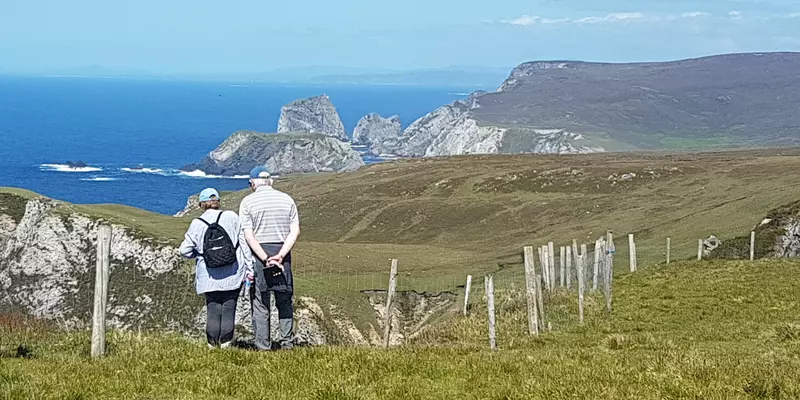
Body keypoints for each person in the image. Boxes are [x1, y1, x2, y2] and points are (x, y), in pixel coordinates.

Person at [179, 188, 252, 348]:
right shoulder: (232, 217)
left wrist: (200, 255)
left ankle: (212, 346)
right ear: (218, 202)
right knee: (229, 307)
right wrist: (249, 268)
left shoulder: (197, 223)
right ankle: (226, 345)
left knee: (212, 308)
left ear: (201, 205)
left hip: (208, 275)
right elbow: (244, 244)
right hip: (233, 272)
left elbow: (184, 250)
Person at [240, 166, 300, 350]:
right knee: (284, 300)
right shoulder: (287, 200)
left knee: (260, 302)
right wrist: (280, 256)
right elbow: (295, 230)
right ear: (270, 181)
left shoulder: (247, 202)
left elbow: (248, 235)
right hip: (283, 253)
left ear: (253, 183)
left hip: (260, 256)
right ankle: (287, 343)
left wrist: (266, 259)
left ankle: (263, 345)